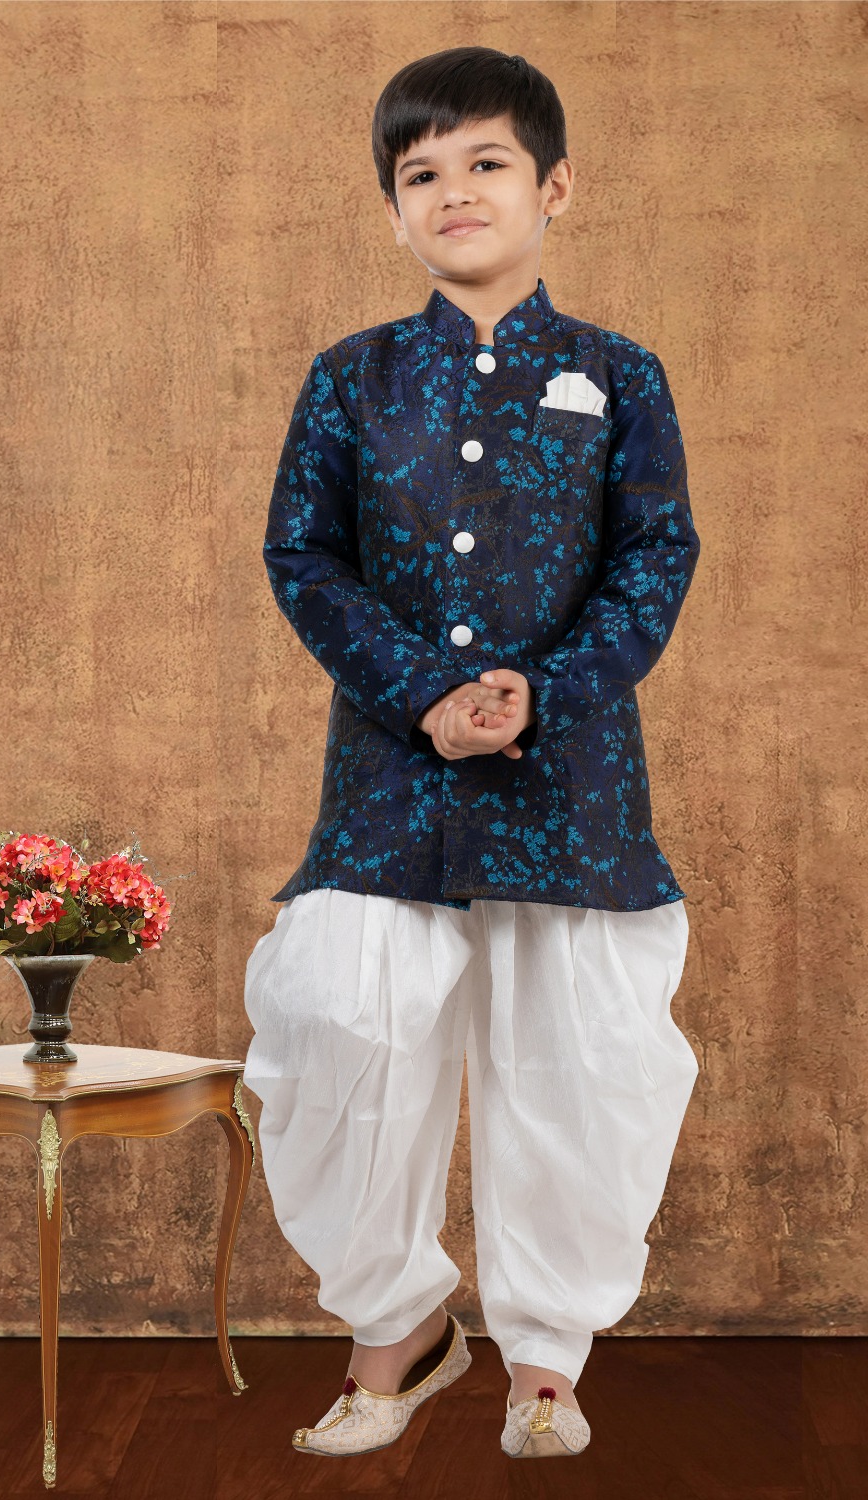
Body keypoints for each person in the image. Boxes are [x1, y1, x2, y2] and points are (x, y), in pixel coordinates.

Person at [242, 45, 701, 1461]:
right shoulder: (352, 377)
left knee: (577, 1065)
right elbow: (304, 556)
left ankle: (546, 1359)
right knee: (340, 1026)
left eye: (485, 162)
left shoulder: (618, 373)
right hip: (390, 778)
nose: (454, 191)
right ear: (393, 209)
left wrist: (538, 694)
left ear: (554, 187)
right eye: (420, 172)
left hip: (570, 787)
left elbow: (653, 559)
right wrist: (422, 692)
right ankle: (398, 1324)